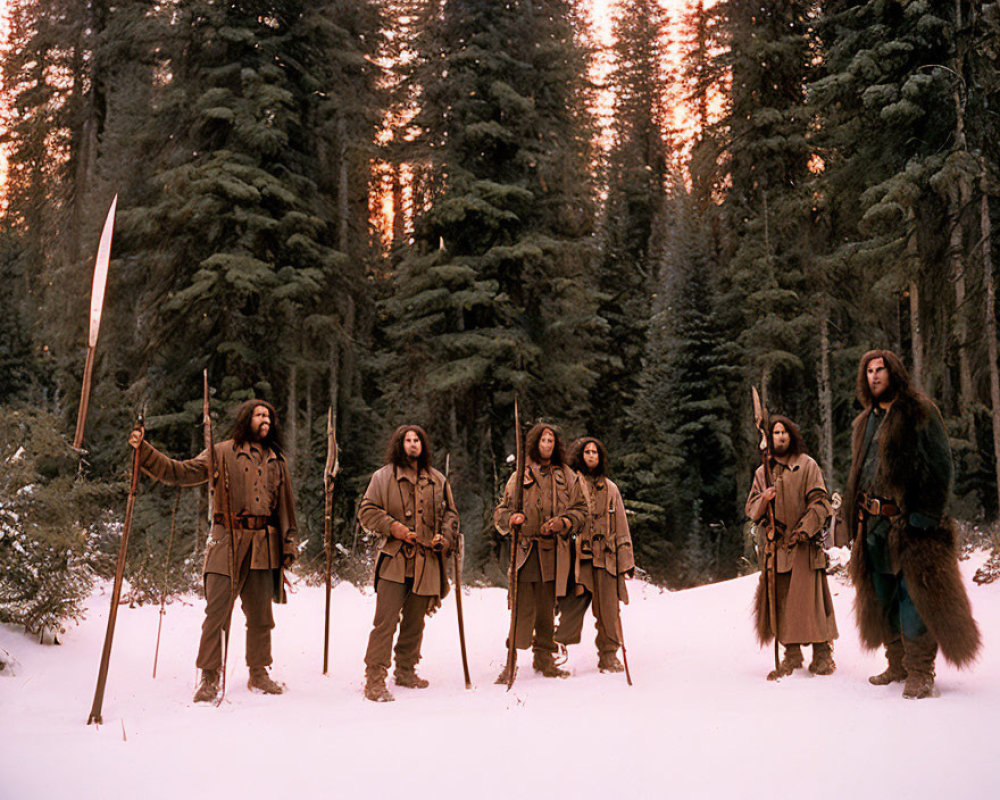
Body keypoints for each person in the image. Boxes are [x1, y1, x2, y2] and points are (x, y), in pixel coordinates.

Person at [130, 399, 297, 702]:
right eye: (260, 415)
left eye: (269, 416)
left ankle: (259, 673)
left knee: (261, 615)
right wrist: (146, 452)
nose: (266, 420)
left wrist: (288, 545)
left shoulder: (276, 460)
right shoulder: (221, 452)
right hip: (226, 541)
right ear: (246, 419)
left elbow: (285, 508)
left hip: (263, 545)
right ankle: (209, 677)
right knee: (217, 612)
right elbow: (180, 472)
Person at [844, 349, 980, 698]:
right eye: (869, 371)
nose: (874, 376)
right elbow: (859, 472)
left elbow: (940, 467)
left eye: (881, 370)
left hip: (911, 525)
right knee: (881, 597)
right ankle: (897, 663)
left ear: (895, 374)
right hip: (871, 525)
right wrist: (852, 518)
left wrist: (924, 518)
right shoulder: (865, 422)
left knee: (914, 598)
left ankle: (921, 671)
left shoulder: (921, 412)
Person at [358, 425, 459, 702]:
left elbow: (451, 515)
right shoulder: (382, 477)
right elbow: (366, 511)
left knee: (415, 622)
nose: (413, 445)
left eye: (417, 440)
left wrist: (445, 537)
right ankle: (375, 678)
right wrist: (395, 528)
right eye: (408, 440)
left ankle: (405, 669)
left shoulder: (438, 480)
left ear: (423, 445)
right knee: (385, 621)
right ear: (399, 444)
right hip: (395, 559)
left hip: (427, 562)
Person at [494, 423, 587, 681]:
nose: (548, 445)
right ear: (535, 443)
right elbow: (500, 512)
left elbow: (581, 511)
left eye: (551, 441)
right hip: (525, 552)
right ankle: (510, 661)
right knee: (522, 607)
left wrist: (563, 523)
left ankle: (544, 658)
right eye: (544, 440)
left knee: (547, 608)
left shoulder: (567, 476)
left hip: (554, 554)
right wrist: (512, 519)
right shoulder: (519, 476)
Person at [746, 416, 838, 679]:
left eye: (785, 431)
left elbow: (821, 502)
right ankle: (792, 653)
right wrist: (764, 499)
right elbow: (752, 510)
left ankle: (823, 654)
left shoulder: (807, 465)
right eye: (776, 432)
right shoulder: (763, 472)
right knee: (783, 600)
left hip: (804, 546)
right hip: (777, 548)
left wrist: (805, 528)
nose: (781, 436)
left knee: (812, 601)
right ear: (770, 438)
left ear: (792, 435)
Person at [554, 437, 634, 673]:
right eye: (587, 452)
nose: (591, 456)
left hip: (606, 557)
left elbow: (621, 525)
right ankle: (555, 649)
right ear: (579, 454)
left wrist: (626, 559)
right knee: (572, 607)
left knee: (609, 610)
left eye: (595, 453)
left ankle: (609, 656)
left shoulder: (610, 488)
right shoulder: (569, 484)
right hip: (577, 558)